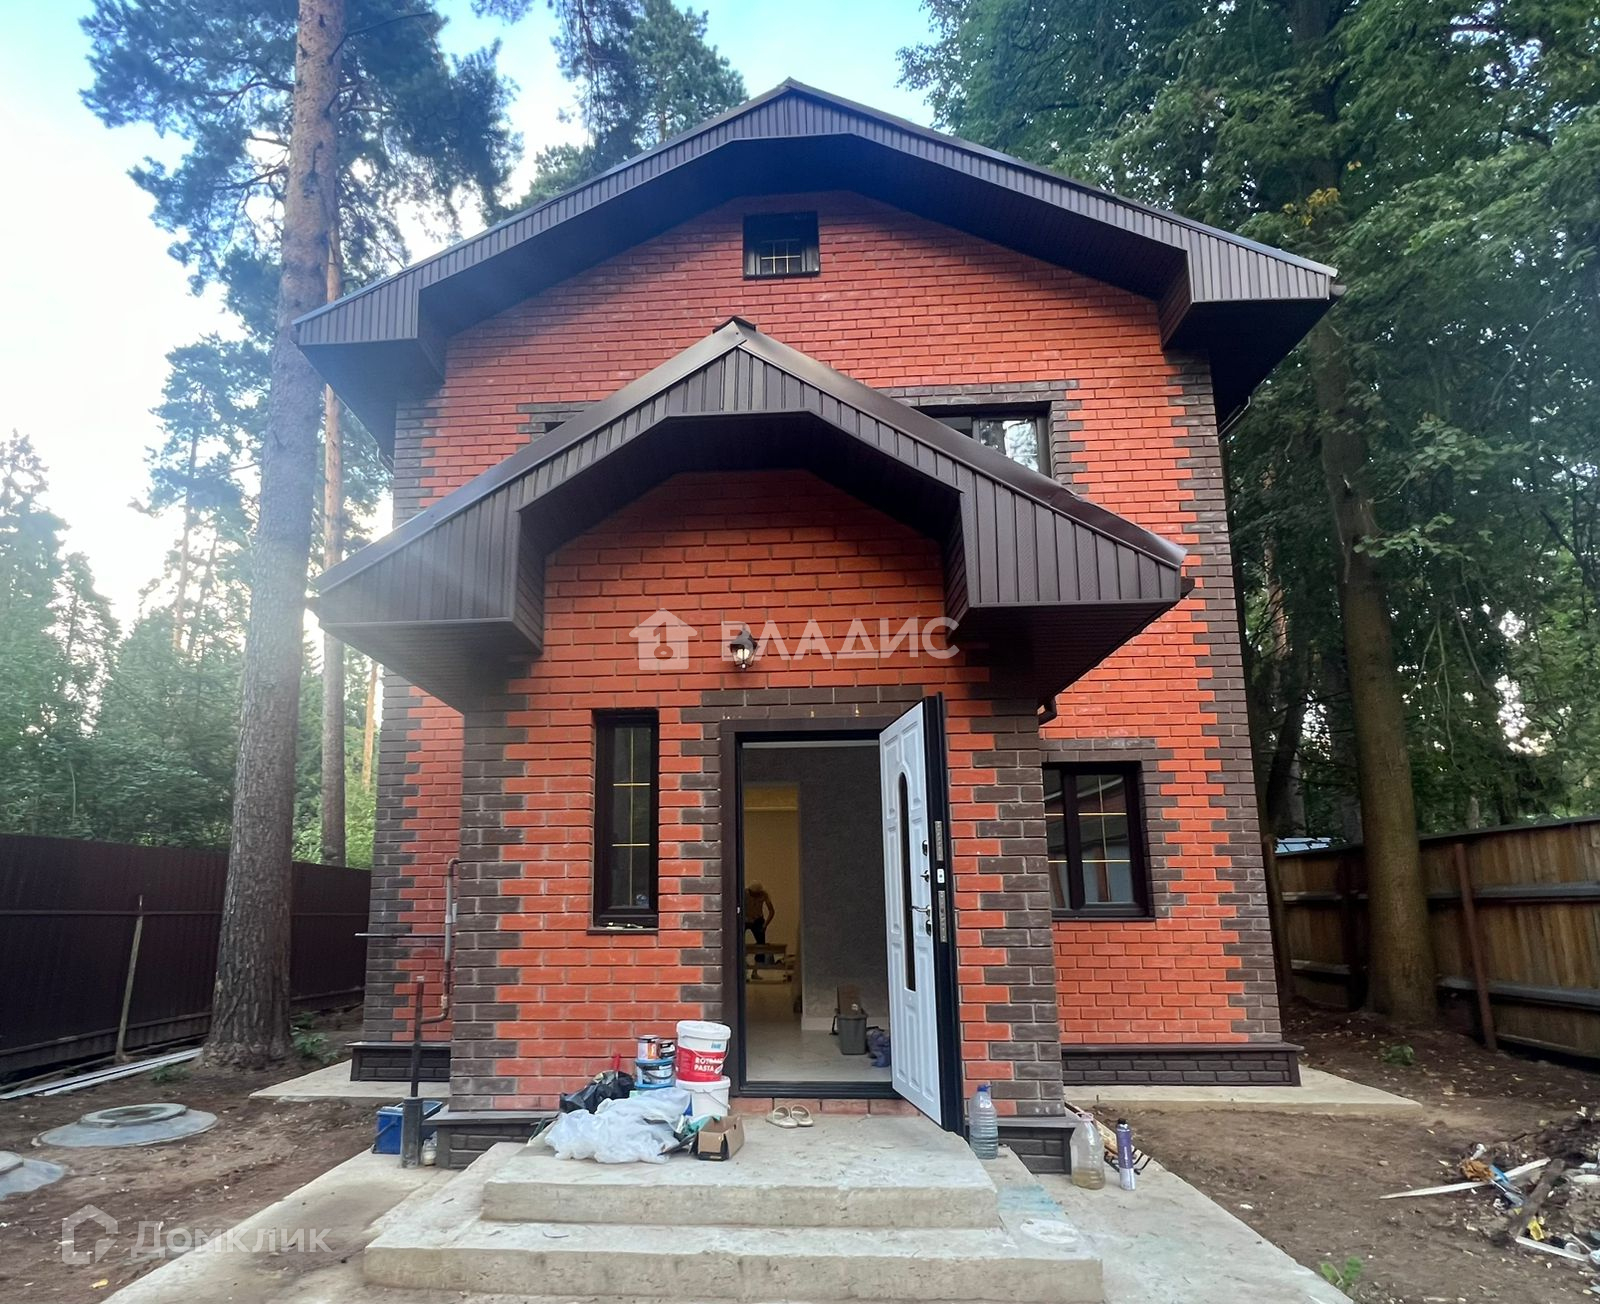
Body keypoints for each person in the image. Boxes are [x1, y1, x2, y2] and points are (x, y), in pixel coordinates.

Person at [744, 880, 775, 946]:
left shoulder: (764, 894)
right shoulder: (744, 893)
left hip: (757, 919)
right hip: (744, 919)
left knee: (761, 944)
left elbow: (771, 911)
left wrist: (765, 924)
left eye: (757, 894)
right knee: (737, 941)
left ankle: (760, 952)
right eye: (752, 894)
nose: (755, 896)